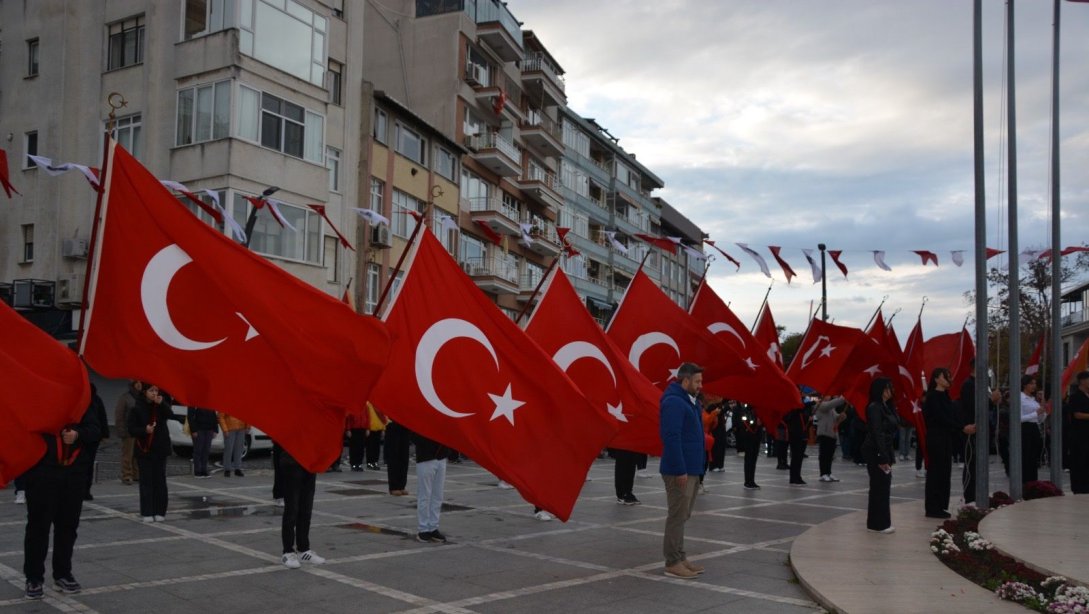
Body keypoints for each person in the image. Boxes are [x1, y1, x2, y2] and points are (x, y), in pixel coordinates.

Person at [21, 385, 102, 600]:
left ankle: (63, 573)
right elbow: (25, 428)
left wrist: (78, 433)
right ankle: (34, 577)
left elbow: (96, 429)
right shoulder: (38, 396)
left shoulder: (83, 399)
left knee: (67, 527)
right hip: (42, 473)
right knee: (38, 527)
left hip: (73, 474)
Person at [659, 362, 705, 580]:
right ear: (685, 381)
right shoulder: (674, 403)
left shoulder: (690, 402)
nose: (700, 385)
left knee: (683, 514)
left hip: (692, 469)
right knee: (677, 515)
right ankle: (672, 562)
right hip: (680, 470)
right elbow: (672, 437)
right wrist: (679, 469)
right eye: (697, 381)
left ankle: (680, 555)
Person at [923, 368, 976, 519]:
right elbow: (940, 417)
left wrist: (964, 426)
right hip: (936, 437)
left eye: (948, 376)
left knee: (945, 472)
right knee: (936, 472)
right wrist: (961, 428)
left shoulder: (945, 396)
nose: (948, 379)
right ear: (936, 379)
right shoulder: (932, 396)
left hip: (946, 437)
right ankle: (932, 507)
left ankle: (940, 505)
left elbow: (952, 416)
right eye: (945, 376)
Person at [957, 359, 1000, 504]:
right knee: (972, 464)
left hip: (983, 429)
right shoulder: (969, 385)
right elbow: (972, 406)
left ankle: (979, 493)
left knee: (980, 463)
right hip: (972, 429)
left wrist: (993, 402)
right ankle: (970, 496)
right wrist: (991, 401)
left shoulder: (983, 385)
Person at [127, 383, 171, 522]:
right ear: (145, 392)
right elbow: (131, 429)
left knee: (160, 480)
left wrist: (162, 403)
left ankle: (160, 511)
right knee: (146, 481)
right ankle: (147, 511)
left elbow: (170, 414)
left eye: (156, 390)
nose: (154, 393)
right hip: (144, 449)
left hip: (160, 449)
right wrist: (144, 430)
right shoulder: (137, 407)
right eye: (151, 390)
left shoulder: (161, 405)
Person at [278, 444, 325, 568]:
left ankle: (303, 549)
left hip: (310, 462)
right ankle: (288, 551)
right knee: (292, 509)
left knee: (306, 509)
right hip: (291, 462)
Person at [861, 377, 897, 533]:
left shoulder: (885, 406)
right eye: (888, 388)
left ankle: (878, 522)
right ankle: (878, 523)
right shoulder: (875, 407)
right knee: (879, 486)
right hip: (876, 450)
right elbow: (877, 432)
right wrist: (882, 456)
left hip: (884, 449)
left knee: (883, 485)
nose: (891, 391)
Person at [411, 431, 449, 543]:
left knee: (438, 495)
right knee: (424, 495)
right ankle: (423, 529)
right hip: (426, 457)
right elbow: (413, 434)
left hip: (441, 456)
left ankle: (433, 527)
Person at [82, 383, 109, 500]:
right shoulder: (91, 399)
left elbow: (102, 416)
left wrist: (104, 433)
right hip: (83, 436)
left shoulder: (96, 399)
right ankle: (82, 489)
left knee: (87, 465)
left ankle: (86, 490)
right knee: (83, 465)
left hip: (92, 437)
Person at [1019, 375, 1046, 484]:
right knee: (1026, 457)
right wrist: (1036, 413)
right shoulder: (1020, 398)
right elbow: (1019, 418)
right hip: (1024, 428)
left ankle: (1033, 482)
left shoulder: (1033, 399)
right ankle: (1025, 482)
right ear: (1025, 385)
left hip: (1034, 428)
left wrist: (1042, 410)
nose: (1034, 386)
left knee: (1034, 458)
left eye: (1035, 384)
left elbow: (1040, 419)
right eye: (1031, 383)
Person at [813, 395, 846, 482]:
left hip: (832, 434)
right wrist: (842, 398)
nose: (829, 397)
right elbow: (828, 406)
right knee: (824, 455)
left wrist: (841, 417)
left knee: (830, 455)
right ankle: (823, 473)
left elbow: (836, 418)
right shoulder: (820, 405)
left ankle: (828, 472)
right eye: (827, 395)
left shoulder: (831, 409)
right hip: (824, 433)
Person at [114, 381, 142, 485]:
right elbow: (119, 415)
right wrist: (121, 430)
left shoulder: (141, 397)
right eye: (137, 383)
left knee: (137, 454)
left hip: (139, 431)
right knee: (128, 454)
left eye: (140, 383)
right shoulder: (125, 397)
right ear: (133, 384)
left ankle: (136, 474)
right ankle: (126, 475)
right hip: (128, 431)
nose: (139, 385)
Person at [1066, 371, 1089, 494]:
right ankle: (1079, 488)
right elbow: (1077, 414)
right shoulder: (1076, 397)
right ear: (1082, 381)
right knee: (1079, 461)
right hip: (1079, 436)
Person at [734, 402, 764, 489]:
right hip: (749, 436)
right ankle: (748, 481)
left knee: (753, 459)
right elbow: (744, 422)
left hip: (756, 436)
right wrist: (755, 422)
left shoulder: (758, 409)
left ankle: (751, 480)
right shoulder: (746, 409)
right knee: (749, 459)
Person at [784, 399, 812, 485]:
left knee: (799, 457)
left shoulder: (803, 410)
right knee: (796, 456)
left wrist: (809, 419)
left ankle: (796, 476)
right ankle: (794, 477)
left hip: (802, 434)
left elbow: (806, 423)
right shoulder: (792, 410)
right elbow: (788, 419)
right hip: (795, 435)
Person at [187, 407, 218, 479]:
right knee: (198, 451)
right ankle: (197, 471)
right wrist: (193, 430)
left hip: (209, 429)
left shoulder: (209, 401)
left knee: (206, 450)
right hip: (199, 429)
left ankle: (204, 470)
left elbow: (213, 414)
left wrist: (215, 429)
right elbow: (190, 416)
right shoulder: (193, 402)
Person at [384, 418, 411, 496]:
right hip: (393, 424)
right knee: (393, 456)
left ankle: (402, 485)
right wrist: (385, 420)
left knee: (404, 457)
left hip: (405, 424)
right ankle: (394, 486)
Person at [217, 411, 248, 477]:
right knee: (228, 449)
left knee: (239, 449)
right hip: (230, 429)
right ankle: (227, 469)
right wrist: (225, 430)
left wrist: (247, 426)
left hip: (241, 428)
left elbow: (247, 414)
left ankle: (237, 468)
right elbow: (220, 417)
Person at [365, 403, 387, 471]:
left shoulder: (378, 404)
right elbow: (367, 417)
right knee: (370, 447)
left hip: (378, 428)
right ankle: (370, 463)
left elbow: (383, 417)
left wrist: (383, 428)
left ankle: (375, 462)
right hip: (371, 429)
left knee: (376, 447)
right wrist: (367, 428)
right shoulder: (368, 405)